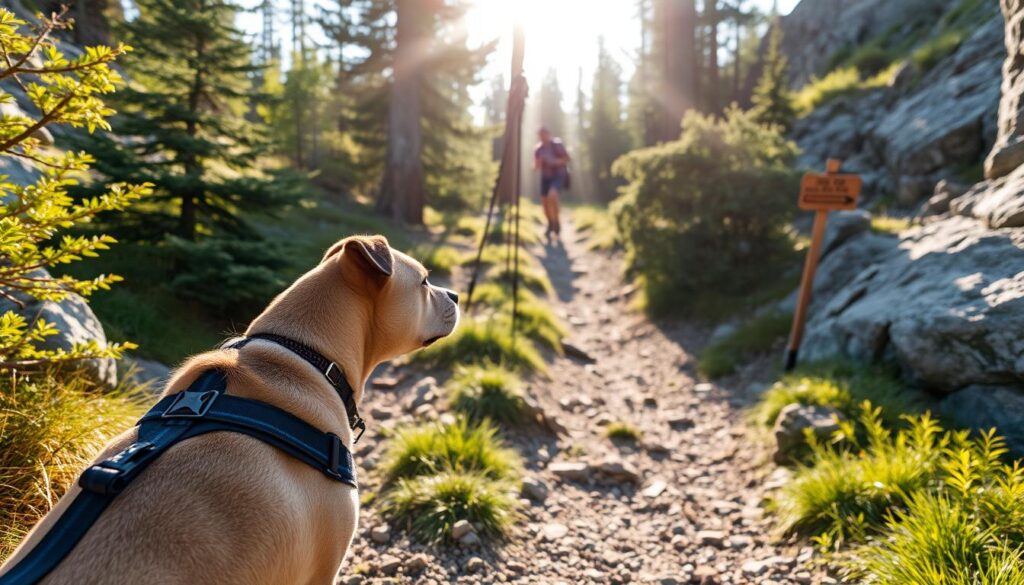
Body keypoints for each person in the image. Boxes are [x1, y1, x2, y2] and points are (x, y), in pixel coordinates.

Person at [533, 126, 570, 240]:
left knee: (552, 196)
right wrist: (538, 163)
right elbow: (535, 167)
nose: (543, 138)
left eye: (544, 135)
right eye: (541, 136)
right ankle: (550, 223)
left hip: (558, 176)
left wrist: (554, 162)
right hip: (545, 177)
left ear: (549, 135)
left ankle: (557, 222)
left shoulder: (557, 145)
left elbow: (567, 158)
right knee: (544, 202)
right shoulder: (538, 149)